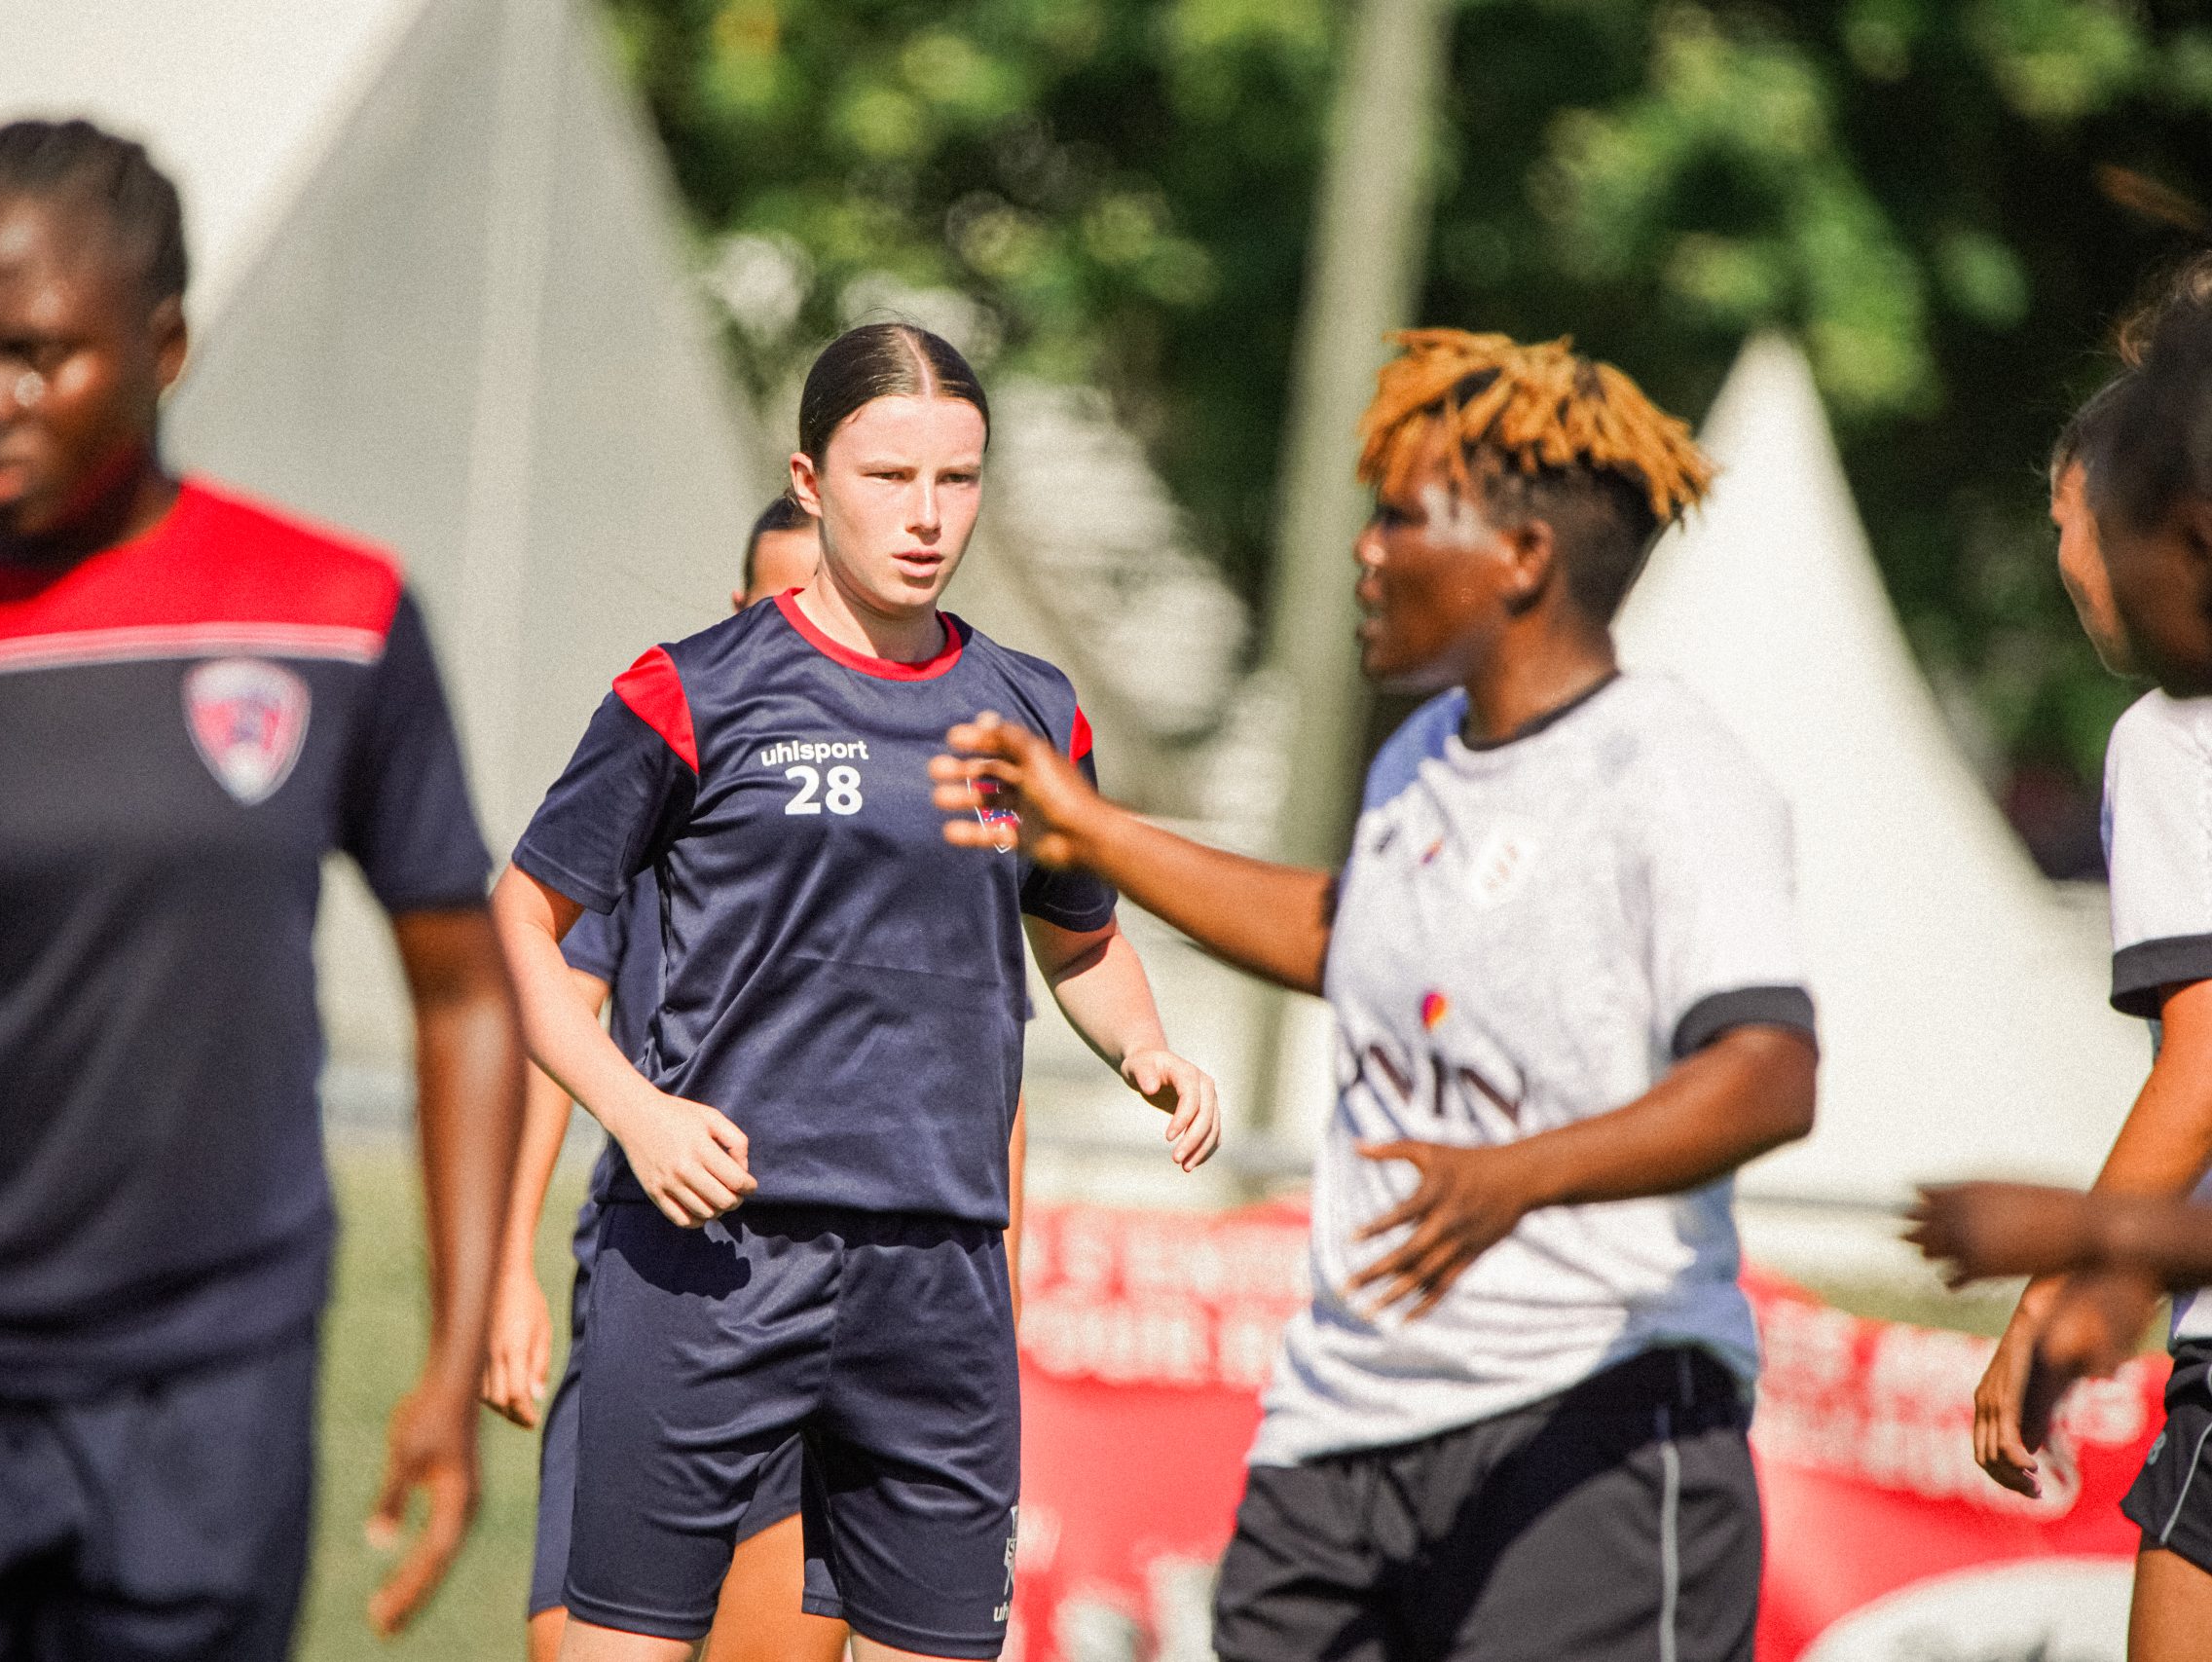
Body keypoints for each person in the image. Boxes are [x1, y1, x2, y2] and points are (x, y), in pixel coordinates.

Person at [0, 120, 523, 1660]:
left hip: (205, 1397)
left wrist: (454, 1350)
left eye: (34, 356)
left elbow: (464, 989)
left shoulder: (335, 620)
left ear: (161, 344)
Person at [934, 328, 1820, 1662]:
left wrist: (1521, 1174)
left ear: (1523, 557)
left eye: (1403, 516)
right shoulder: (1421, 754)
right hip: (1344, 1426)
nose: (1368, 546)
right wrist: (1096, 834)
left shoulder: (1670, 773)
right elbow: (1349, 931)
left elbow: (1769, 1071)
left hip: (1591, 1420)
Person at [492, 321, 1220, 1662]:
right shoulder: (690, 692)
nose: (929, 516)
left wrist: (1149, 1047)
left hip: (941, 1282)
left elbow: (1081, 939)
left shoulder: (1035, 712)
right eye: (891, 478)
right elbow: (521, 923)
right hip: (716, 1262)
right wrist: (637, 1113)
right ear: (811, 480)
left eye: (959, 478)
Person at [1919, 291, 2212, 1661]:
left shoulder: (2174, 735)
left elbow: (2208, 1066)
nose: (2068, 572)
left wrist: (2057, 1292)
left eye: (2063, 533)